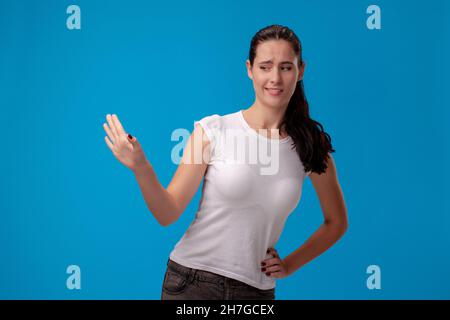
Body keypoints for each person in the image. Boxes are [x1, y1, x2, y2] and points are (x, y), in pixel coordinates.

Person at [102, 24, 348, 300]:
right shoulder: (212, 130)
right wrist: (141, 167)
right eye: (265, 66)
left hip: (256, 292)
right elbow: (168, 212)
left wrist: (289, 265)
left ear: (300, 70)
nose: (275, 78)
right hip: (192, 283)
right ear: (249, 69)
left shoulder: (310, 148)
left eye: (285, 67)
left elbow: (336, 222)